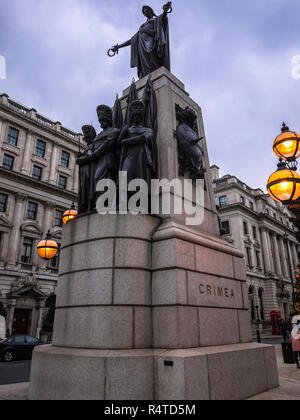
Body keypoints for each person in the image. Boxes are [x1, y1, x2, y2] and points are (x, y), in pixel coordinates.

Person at [109, 2, 172, 79]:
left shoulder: (155, 20)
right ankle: (147, 75)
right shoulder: (142, 26)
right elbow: (132, 40)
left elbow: (163, 17)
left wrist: (165, 11)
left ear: (150, 11)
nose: (145, 13)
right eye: (144, 12)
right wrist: (118, 47)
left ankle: (158, 69)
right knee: (143, 62)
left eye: (146, 11)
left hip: (151, 40)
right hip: (141, 45)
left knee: (150, 51)